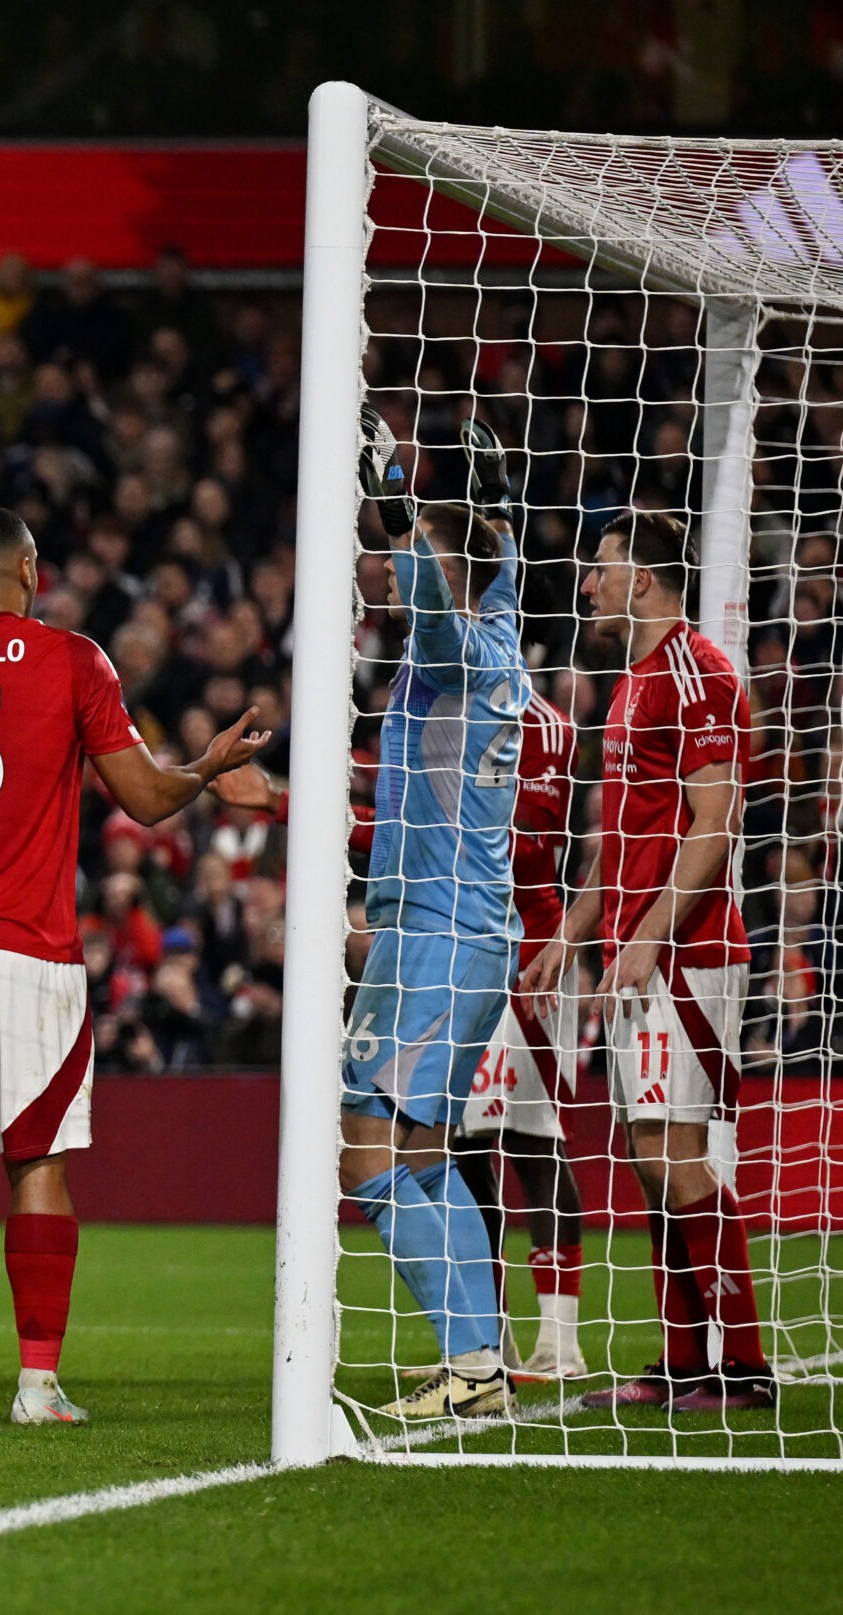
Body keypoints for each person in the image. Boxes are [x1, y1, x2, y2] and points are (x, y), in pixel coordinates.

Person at [0, 507, 269, 1426]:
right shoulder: (72, 659)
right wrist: (204, 768)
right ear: (27, 568)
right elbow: (145, 799)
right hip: (29, 938)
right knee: (37, 1157)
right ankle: (37, 1387)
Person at [518, 510, 773, 1412]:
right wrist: (570, 934)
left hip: (687, 953)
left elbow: (716, 825)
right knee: (643, 1149)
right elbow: (619, 840)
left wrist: (653, 937)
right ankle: (680, 1362)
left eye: (604, 568)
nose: (588, 584)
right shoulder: (632, 683)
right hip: (634, 953)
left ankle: (742, 1364)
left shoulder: (699, 675)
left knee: (675, 1151)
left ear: (649, 580)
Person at [303, 410, 529, 1422]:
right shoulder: (507, 630)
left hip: (436, 933)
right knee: (426, 1151)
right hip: (463, 931)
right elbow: (495, 561)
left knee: (370, 1149)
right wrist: (481, 492)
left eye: (414, 552)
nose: (394, 566)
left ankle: (472, 1361)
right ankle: (479, 1354)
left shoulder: (452, 653)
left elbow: (439, 594)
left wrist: (395, 488)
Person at [449, 678, 590, 1381]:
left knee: (537, 1141)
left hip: (531, 953)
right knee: (463, 1145)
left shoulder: (549, 727)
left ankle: (560, 1340)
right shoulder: (437, 710)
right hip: (455, 955)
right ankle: (489, 1339)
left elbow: (530, 849)